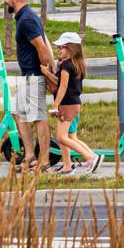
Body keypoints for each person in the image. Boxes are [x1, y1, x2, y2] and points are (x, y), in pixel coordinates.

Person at [1, 0, 53, 173]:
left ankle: (44, 160)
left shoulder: (27, 20)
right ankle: (30, 155)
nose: (5, 0)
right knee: (17, 112)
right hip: (27, 76)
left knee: (39, 117)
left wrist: (46, 73)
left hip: (34, 75)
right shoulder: (23, 17)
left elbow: (42, 47)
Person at [48, 32, 102, 177]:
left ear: (71, 48)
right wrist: (48, 74)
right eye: (58, 48)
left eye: (62, 47)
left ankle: (90, 158)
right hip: (75, 103)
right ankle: (93, 156)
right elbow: (61, 83)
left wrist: (55, 105)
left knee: (61, 137)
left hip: (67, 105)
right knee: (72, 137)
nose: (59, 50)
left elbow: (62, 87)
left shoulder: (66, 66)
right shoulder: (76, 64)